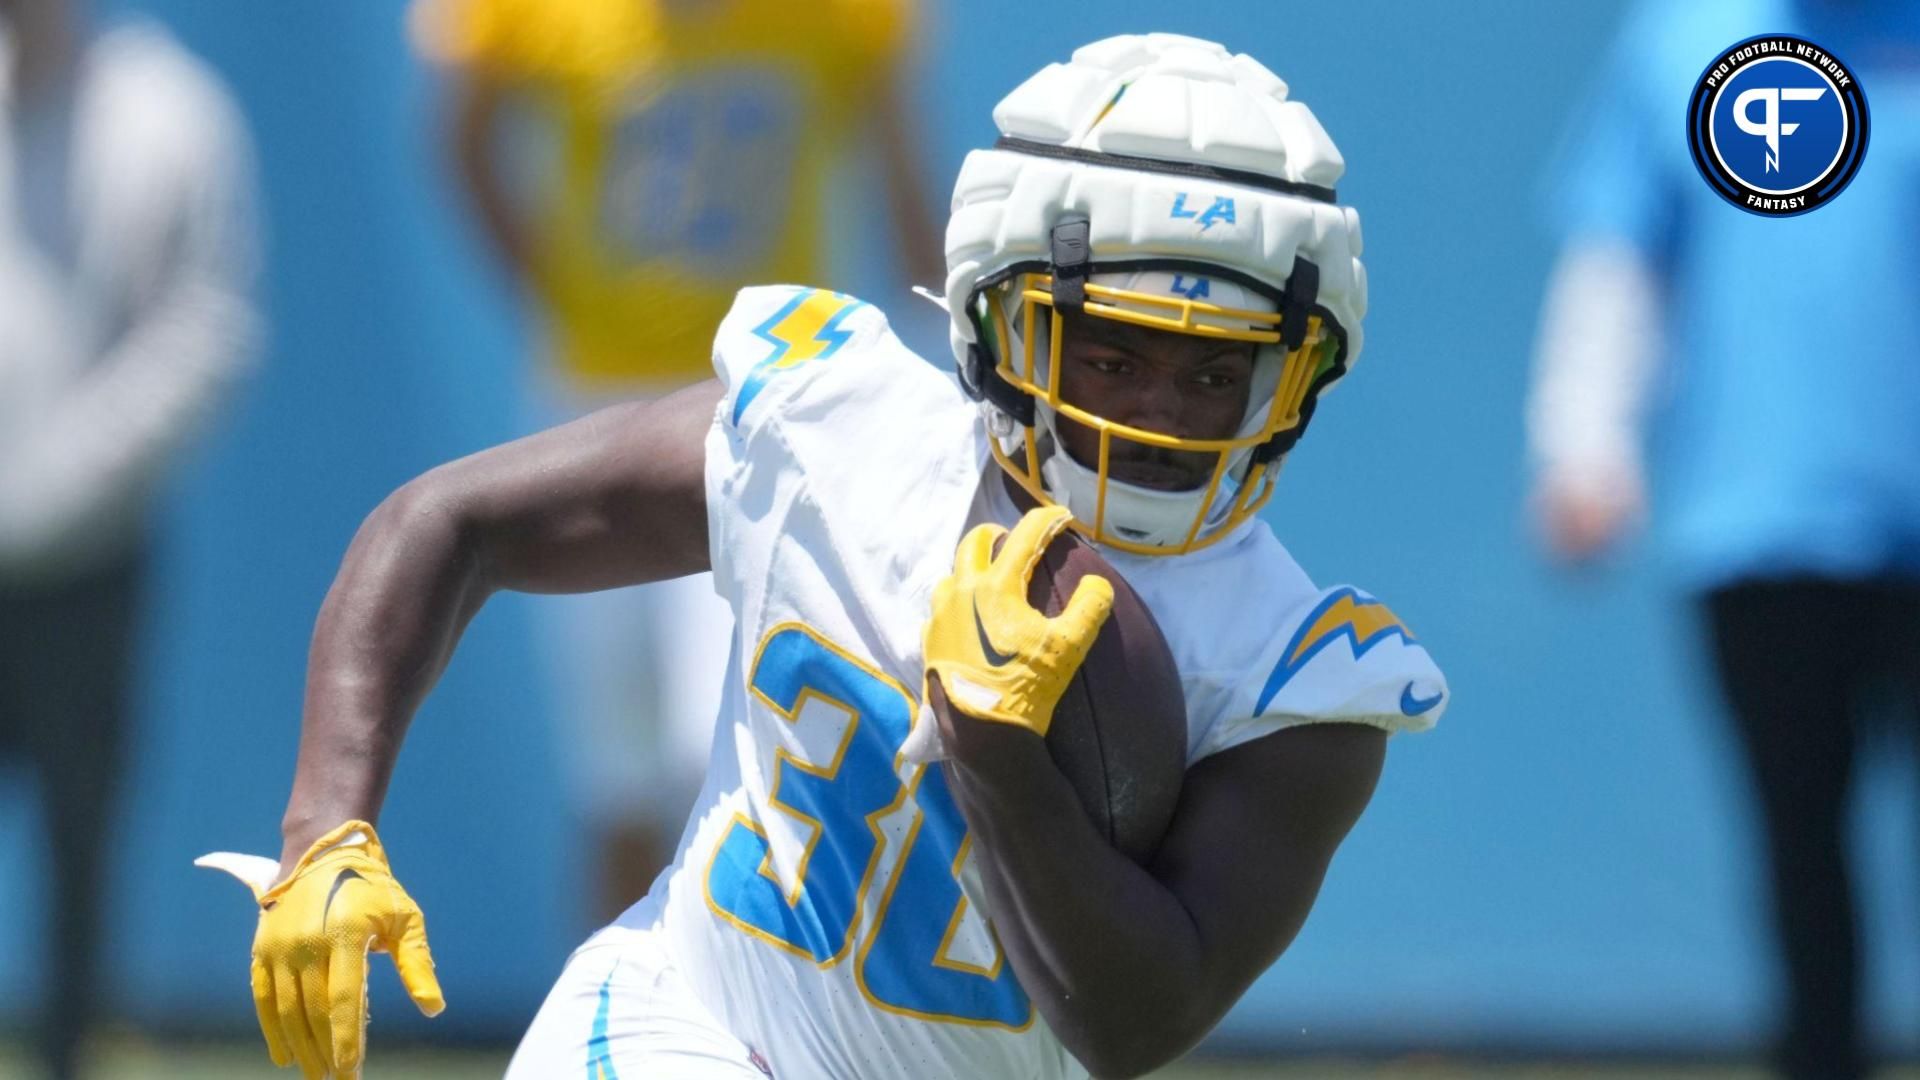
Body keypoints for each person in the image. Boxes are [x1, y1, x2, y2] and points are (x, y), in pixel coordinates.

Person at [203, 33, 1444, 1080]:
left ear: (1295, 377)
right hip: (680, 1025)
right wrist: (327, 829)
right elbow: (446, 523)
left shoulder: (1301, 676)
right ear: (999, 321)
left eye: (1216, 370)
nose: (1159, 413)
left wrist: (997, 753)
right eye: (1112, 353)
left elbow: (1136, 1021)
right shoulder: (833, 430)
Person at [407, 0, 944, 920]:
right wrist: (558, 292)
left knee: (726, 735)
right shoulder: (539, 18)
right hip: (597, 400)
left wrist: (944, 351)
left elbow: (902, 190)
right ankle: (604, 1035)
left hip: (764, 406)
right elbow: (458, 138)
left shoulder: (841, 19)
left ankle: (749, 1023)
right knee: (613, 773)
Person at [1527, 2, 1920, 1076]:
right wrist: (1584, 446)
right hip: (1764, 518)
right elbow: (1619, 248)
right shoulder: (1685, 40)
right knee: (1801, 839)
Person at [0, 0, 258, 1076]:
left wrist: (47, 494)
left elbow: (206, 331)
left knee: (79, 847)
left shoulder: (169, 111)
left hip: (88, 560)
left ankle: (66, 1056)